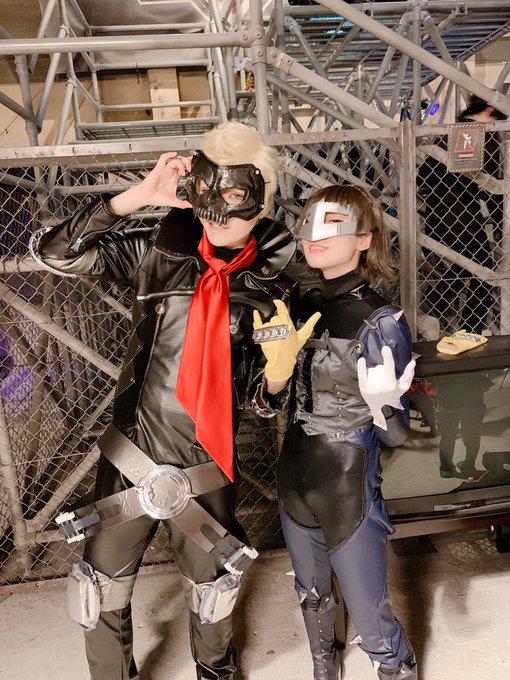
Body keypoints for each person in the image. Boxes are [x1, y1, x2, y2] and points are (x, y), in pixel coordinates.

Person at [30, 121, 302, 680]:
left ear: (261, 197)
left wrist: (277, 377)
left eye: (233, 194)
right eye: (205, 189)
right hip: (132, 453)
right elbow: (52, 253)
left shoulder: (273, 285)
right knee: (97, 592)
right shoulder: (154, 252)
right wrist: (135, 197)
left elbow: (262, 402)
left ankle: (215, 672)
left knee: (214, 592)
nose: (215, 210)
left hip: (208, 461)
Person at [253, 185, 417, 679]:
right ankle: (324, 669)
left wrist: (385, 403)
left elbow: (396, 436)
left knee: (370, 613)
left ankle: (395, 668)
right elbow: (265, 404)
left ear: (364, 239)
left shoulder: (382, 322)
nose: (315, 235)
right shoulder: (294, 304)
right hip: (293, 476)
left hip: (348, 484)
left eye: (333, 224)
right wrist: (274, 376)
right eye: (309, 223)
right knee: (311, 596)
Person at [417, 95, 506, 334]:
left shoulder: (451, 133)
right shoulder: (485, 137)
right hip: (463, 217)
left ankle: (432, 310)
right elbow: (493, 188)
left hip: (437, 216)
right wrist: (501, 223)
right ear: (490, 109)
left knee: (463, 266)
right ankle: (470, 328)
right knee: (484, 271)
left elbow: (423, 175)